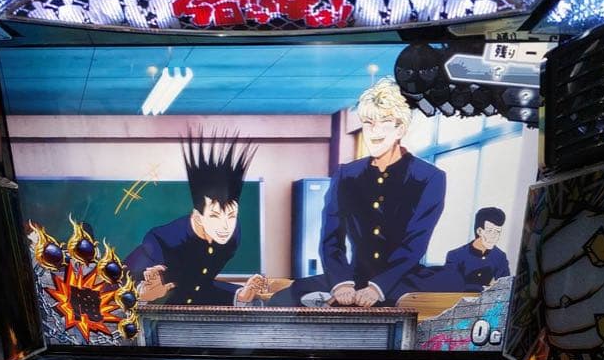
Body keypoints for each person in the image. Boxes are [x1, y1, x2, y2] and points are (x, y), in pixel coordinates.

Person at [280, 77, 446, 308]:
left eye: (384, 122)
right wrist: (341, 283)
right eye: (368, 123)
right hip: (352, 278)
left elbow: (415, 244)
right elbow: (331, 238)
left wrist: (377, 287)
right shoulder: (347, 174)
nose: (374, 131)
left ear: (400, 128)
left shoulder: (429, 177)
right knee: (288, 296)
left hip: (400, 280)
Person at [124, 132, 267, 307]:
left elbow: (197, 285)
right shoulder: (160, 242)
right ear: (198, 217)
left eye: (231, 215)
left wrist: (239, 295)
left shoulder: (232, 238)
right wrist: (141, 295)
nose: (225, 226)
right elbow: (117, 287)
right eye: (214, 215)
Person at [444, 207, 510, 291]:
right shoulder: (455, 255)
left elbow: (505, 288)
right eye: (490, 231)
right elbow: (449, 286)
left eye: (497, 232)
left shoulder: (500, 257)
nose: (494, 236)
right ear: (479, 231)